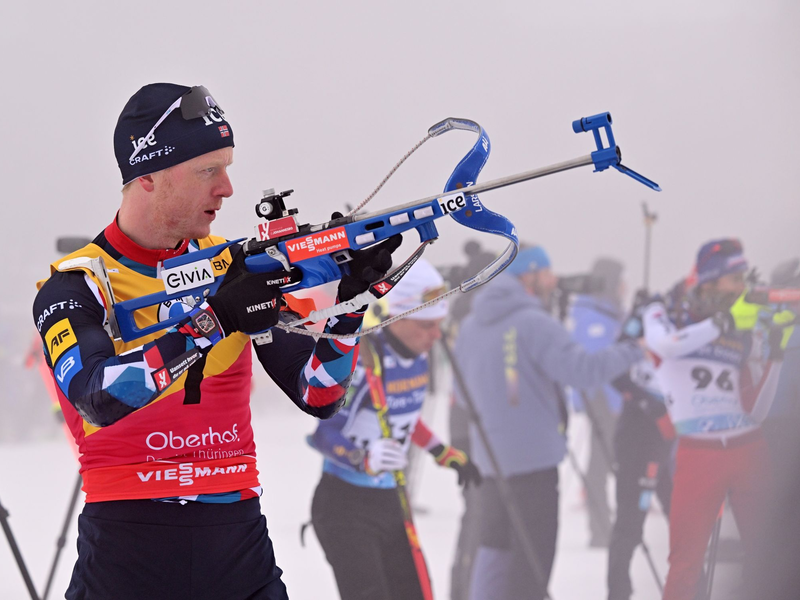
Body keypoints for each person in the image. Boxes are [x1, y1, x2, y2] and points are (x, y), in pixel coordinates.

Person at [32, 83, 400, 600]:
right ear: (149, 178)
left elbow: (319, 394)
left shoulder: (235, 264)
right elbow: (98, 397)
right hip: (127, 546)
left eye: (226, 167)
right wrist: (216, 319)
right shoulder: (77, 284)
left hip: (238, 541)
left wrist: (350, 306)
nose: (227, 188)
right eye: (208, 170)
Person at [453, 245, 644, 600]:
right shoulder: (535, 323)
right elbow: (584, 372)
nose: (554, 281)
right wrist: (634, 349)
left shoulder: (471, 326)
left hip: (491, 465)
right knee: (531, 565)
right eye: (547, 273)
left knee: (494, 554)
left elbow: (462, 396)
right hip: (534, 465)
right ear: (529, 275)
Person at [309, 259, 481, 600]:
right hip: (346, 506)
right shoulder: (362, 362)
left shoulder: (418, 357)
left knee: (413, 592)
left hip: (389, 499)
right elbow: (324, 435)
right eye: (426, 325)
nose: (437, 336)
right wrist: (363, 458)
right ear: (398, 316)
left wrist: (442, 453)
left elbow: (403, 415)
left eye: (439, 325)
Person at [643, 239, 784, 600]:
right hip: (698, 453)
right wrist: (723, 323)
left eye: (743, 278)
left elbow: (757, 411)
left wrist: (775, 353)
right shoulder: (665, 313)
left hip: (748, 449)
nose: (741, 287)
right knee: (686, 562)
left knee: (771, 554)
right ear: (708, 281)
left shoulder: (741, 325)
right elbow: (667, 345)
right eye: (733, 278)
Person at [568, 257, 626, 548]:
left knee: (603, 465)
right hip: (604, 400)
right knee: (601, 466)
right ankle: (601, 529)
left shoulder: (605, 311)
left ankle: (603, 526)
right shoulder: (595, 315)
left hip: (607, 400)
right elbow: (597, 365)